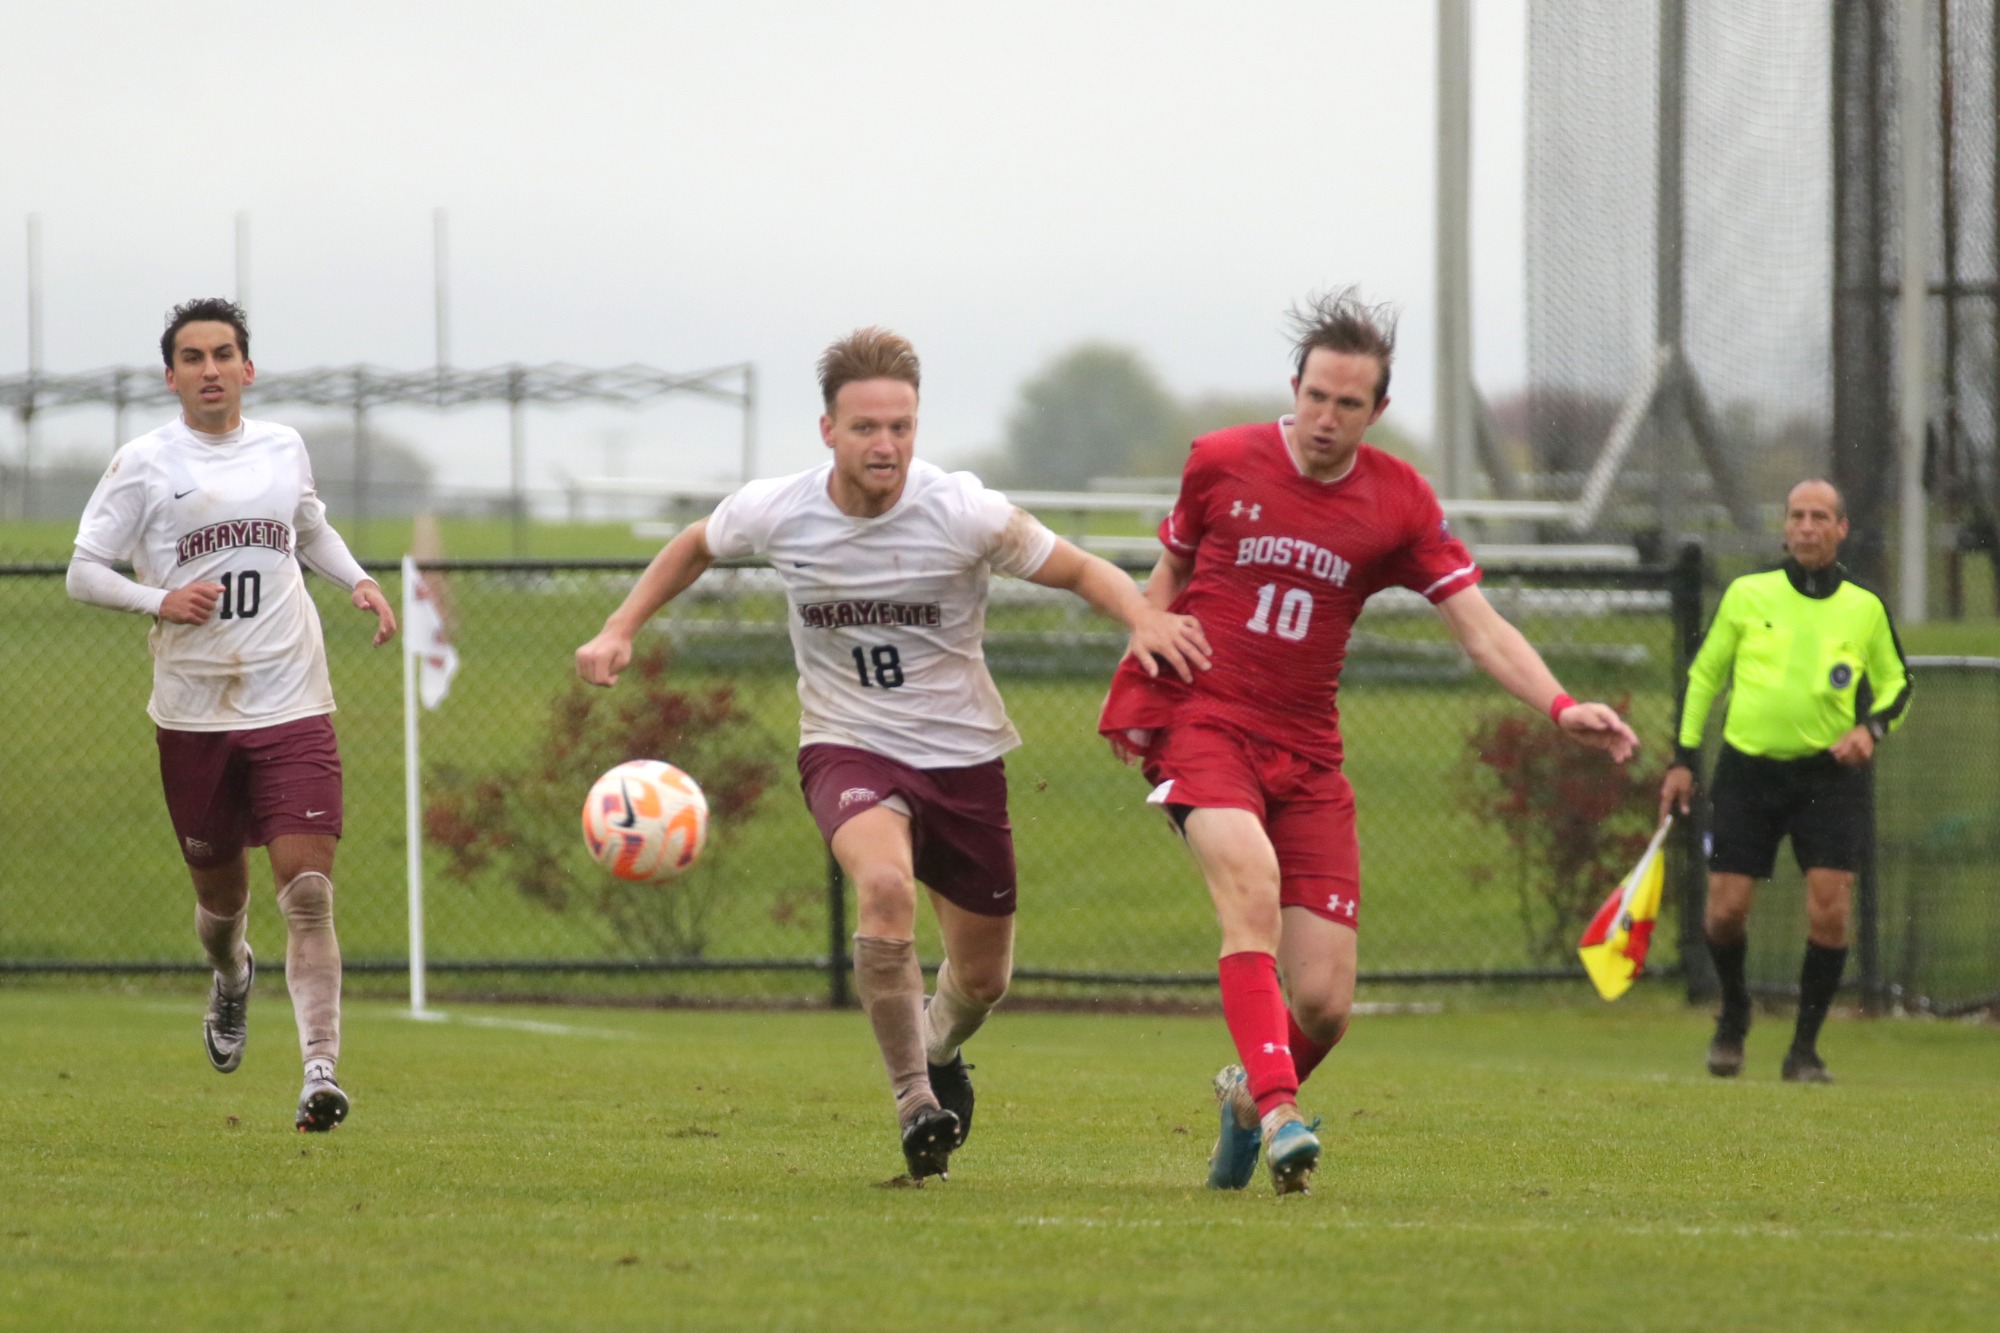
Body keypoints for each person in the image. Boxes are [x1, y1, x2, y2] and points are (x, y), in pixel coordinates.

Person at [576, 327, 1208, 1181]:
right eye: (868, 427)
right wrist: (619, 627)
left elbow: (1078, 569)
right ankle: (916, 1099)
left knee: (983, 978)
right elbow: (694, 544)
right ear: (827, 430)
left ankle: (940, 1048)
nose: (887, 445)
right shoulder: (780, 508)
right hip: (846, 745)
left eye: (902, 426)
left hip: (963, 756)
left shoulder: (963, 511)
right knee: (880, 884)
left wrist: (1143, 616)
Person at [1098, 289, 1639, 1196]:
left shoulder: (1397, 501)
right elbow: (1174, 568)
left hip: (1309, 752)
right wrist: (1143, 653)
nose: (1326, 417)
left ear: (1376, 412)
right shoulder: (1222, 461)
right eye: (1315, 396)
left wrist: (1560, 704)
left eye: (1349, 404)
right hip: (1209, 723)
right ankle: (1278, 1115)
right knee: (1250, 890)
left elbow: (1481, 629)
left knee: (1326, 1003)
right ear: (1294, 386)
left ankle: (1244, 1095)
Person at [68, 297, 397, 1132]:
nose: (210, 369)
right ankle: (232, 975)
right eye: (193, 357)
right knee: (222, 908)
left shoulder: (284, 447)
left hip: (293, 699)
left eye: (224, 354)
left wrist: (355, 577)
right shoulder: (144, 463)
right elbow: (82, 571)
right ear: (171, 375)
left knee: (310, 890)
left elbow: (310, 528)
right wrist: (160, 598)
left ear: (248, 368)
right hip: (194, 711)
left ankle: (319, 1070)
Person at [1660, 479, 1910, 1084]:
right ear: (1784, 527)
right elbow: (1703, 678)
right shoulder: (1748, 595)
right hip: (1748, 772)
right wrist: (1683, 758)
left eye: (1819, 516)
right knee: (1724, 913)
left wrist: (1870, 730)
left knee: (1829, 909)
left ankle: (1804, 1048)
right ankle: (1736, 1010)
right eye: (1796, 515)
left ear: (1840, 529)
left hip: (1828, 777)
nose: (1805, 526)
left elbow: (1899, 685)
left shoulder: (1864, 607)